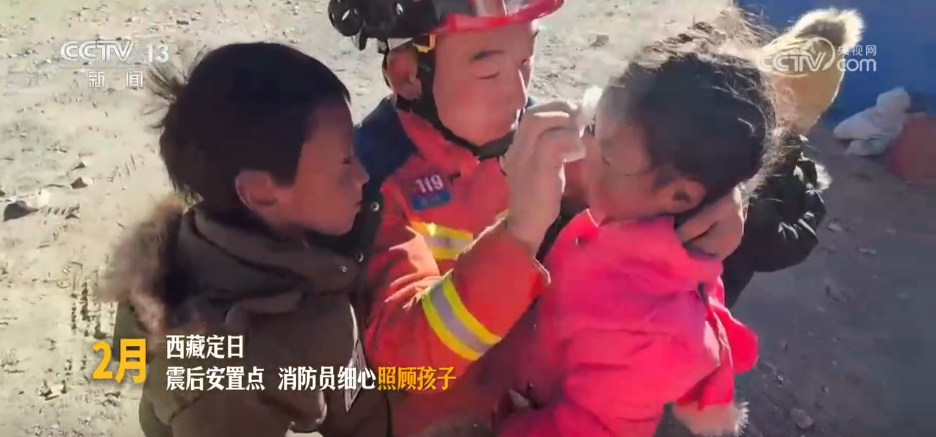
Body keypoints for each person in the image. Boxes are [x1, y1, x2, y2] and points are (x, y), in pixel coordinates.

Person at [327, 0, 749, 381]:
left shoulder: (537, 135)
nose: (518, 93)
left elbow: (639, 181)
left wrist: (713, 200)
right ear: (407, 75)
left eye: (526, 60)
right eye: (489, 72)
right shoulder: (371, 183)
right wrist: (520, 234)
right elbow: (405, 368)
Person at [487, 31, 773, 437]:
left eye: (604, 153)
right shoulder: (632, 217)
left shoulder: (649, 333)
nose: (584, 151)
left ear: (679, 195)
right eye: (593, 127)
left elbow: (587, 429)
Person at [100, 42, 388, 437]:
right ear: (260, 191)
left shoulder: (302, 234)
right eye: (344, 161)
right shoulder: (230, 381)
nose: (362, 175)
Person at [720, 8, 861, 307]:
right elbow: (770, 248)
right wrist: (809, 212)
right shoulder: (780, 173)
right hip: (704, 301)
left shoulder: (714, 118)